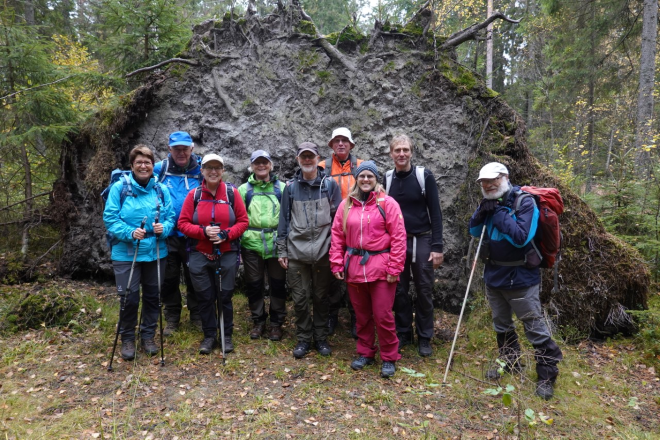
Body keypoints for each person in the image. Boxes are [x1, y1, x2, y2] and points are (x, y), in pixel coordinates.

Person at [469, 162, 563, 400]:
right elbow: (474, 232)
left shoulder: (525, 203)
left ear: (505, 177)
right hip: (494, 276)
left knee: (533, 326)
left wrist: (498, 212)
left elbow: (521, 238)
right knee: (502, 324)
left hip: (521, 277)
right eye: (484, 182)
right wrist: (481, 213)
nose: (488, 185)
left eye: (493, 180)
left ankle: (546, 376)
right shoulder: (488, 203)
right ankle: (511, 363)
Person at [330, 161, 407, 378]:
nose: (365, 180)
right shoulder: (347, 205)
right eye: (362, 176)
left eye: (370, 176)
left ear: (376, 179)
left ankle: (390, 357)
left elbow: (399, 237)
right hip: (354, 266)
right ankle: (365, 352)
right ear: (357, 178)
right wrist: (336, 262)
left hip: (381, 268)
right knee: (361, 315)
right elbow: (337, 235)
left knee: (383, 315)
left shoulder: (388, 203)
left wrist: (395, 267)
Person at [103, 145, 175, 360]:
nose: (144, 166)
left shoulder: (161, 190)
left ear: (153, 166)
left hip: (156, 252)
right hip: (126, 252)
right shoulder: (119, 188)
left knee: (153, 297)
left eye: (148, 162)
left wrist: (165, 228)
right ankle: (127, 339)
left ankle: (148, 336)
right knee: (129, 297)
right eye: (139, 162)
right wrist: (130, 232)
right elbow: (110, 218)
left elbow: (171, 217)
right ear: (132, 165)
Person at [177, 154, 249, 355]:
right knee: (205, 296)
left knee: (224, 296)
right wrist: (203, 232)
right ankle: (209, 336)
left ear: (223, 170)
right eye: (209, 167)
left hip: (227, 252)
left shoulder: (232, 193)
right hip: (200, 253)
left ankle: (226, 335)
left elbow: (243, 221)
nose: (213, 171)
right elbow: (182, 223)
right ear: (202, 170)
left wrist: (227, 234)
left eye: (217, 167)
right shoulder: (194, 195)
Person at [276, 142, 342, 359]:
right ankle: (304, 338)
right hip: (296, 252)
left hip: (323, 251)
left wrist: (337, 252)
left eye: (310, 156)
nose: (307, 160)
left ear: (318, 158)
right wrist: (282, 250)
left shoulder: (329, 185)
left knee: (321, 297)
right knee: (300, 298)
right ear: (298, 159)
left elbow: (338, 221)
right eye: (303, 156)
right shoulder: (291, 188)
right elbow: (284, 220)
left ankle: (321, 338)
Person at [384, 133, 444, 357]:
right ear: (391, 154)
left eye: (405, 150)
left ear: (411, 152)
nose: (401, 154)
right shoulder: (387, 178)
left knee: (424, 289)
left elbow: (435, 213)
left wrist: (437, 247)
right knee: (398, 289)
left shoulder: (423, 176)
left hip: (422, 239)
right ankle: (403, 333)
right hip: (396, 242)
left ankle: (425, 337)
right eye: (397, 150)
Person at [153, 131, 202, 335]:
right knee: (169, 277)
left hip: (193, 233)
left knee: (196, 276)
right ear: (169, 150)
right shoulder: (160, 169)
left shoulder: (201, 169)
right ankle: (172, 317)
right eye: (176, 149)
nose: (181, 153)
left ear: (192, 148)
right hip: (168, 234)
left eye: (185, 148)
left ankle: (197, 315)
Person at [237, 150, 287, 341]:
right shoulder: (244, 190)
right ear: (251, 166)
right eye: (257, 163)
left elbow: (286, 217)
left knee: (278, 284)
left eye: (264, 162)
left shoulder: (282, 188)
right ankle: (258, 321)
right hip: (251, 243)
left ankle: (276, 323)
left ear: (270, 165)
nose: (261, 165)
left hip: (276, 242)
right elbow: (240, 217)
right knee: (254, 284)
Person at [319, 127, 363, 337]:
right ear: (331, 145)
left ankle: (357, 317)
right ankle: (331, 315)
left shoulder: (362, 167)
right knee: (330, 274)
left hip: (357, 227)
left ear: (351, 144)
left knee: (356, 275)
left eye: (345, 140)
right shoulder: (321, 167)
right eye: (337, 141)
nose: (341, 144)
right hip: (329, 228)